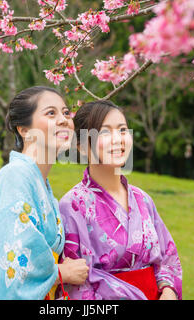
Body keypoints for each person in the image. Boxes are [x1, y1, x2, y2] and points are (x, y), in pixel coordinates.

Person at [0, 86, 89, 300]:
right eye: (51, 113)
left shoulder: (40, 183)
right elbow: (12, 261)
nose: (64, 119)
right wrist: (61, 272)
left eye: (66, 113)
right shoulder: (15, 177)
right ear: (24, 130)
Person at [58, 100, 182, 300]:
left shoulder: (143, 200)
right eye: (105, 132)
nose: (118, 139)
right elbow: (74, 281)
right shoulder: (72, 205)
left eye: (123, 130)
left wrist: (168, 290)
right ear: (81, 146)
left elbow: (167, 259)